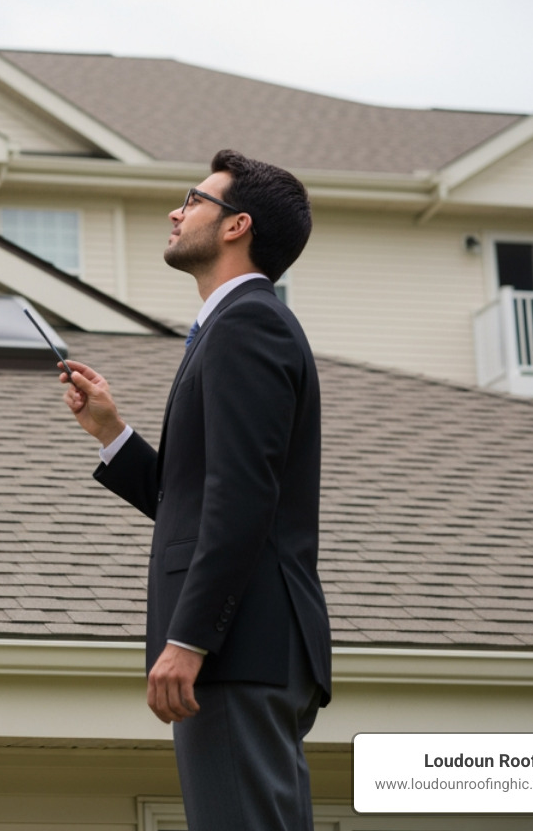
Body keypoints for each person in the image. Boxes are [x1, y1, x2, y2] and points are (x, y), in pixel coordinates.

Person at [59, 149, 331, 831]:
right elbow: (203, 502)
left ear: (236, 226)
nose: (176, 212)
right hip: (246, 646)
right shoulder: (229, 329)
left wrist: (190, 639)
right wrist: (112, 433)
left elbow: (243, 496)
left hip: (238, 648)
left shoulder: (248, 325)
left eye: (193, 199)